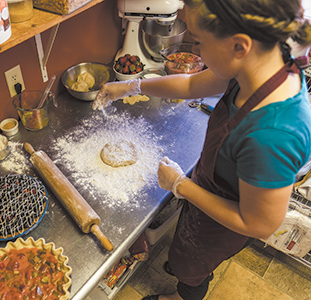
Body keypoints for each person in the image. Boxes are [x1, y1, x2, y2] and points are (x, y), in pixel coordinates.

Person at [93, 0, 311, 299]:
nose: (198, 51)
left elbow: (258, 224)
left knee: (192, 267)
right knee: (184, 252)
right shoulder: (260, 62)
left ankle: (185, 293)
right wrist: (131, 86)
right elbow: (192, 85)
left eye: (200, 42)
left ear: (239, 46)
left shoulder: (272, 135)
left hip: (224, 225)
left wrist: (180, 185)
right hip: (212, 185)